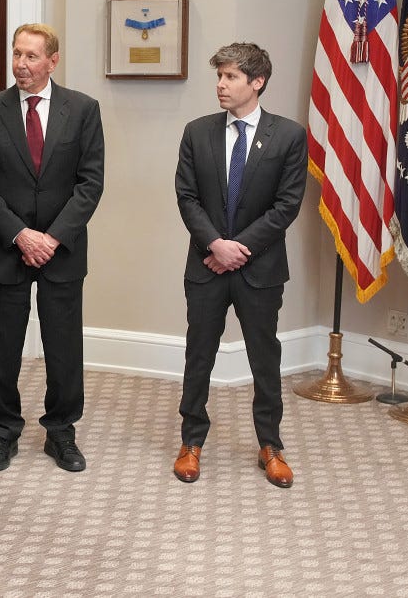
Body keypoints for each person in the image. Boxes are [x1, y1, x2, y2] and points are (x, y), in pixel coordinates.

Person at [0, 23, 105, 473]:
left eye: (31, 56)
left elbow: (90, 183)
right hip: (8, 246)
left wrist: (52, 237)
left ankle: (61, 432)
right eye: (16, 55)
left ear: (53, 61)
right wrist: (20, 235)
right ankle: (3, 431)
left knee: (63, 345)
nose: (21, 65)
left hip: (61, 249)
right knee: (3, 345)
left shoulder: (83, 109)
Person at [172, 42, 306, 488]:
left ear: (257, 82)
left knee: (264, 358)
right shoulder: (197, 131)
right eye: (220, 76)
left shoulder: (288, 135)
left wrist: (237, 248)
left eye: (230, 77)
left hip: (259, 269)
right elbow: (187, 197)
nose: (221, 85)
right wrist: (214, 243)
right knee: (199, 355)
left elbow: (286, 206)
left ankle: (271, 444)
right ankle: (191, 441)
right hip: (206, 265)